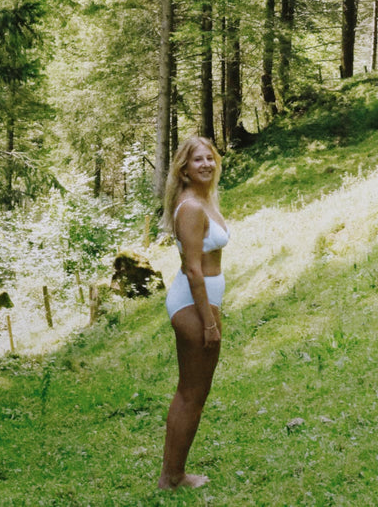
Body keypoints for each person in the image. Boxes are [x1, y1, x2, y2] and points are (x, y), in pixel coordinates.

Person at [158, 136, 229, 491]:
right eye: (197, 160)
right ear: (183, 168)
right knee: (191, 393)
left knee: (195, 392)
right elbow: (193, 270)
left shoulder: (204, 200)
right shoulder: (190, 207)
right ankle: (172, 477)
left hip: (202, 302)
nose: (206, 164)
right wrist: (209, 322)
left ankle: (173, 474)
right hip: (192, 304)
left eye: (210, 158)